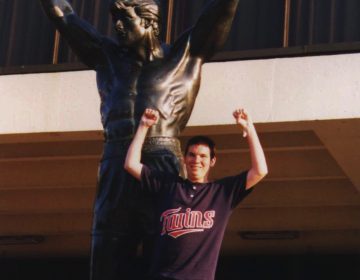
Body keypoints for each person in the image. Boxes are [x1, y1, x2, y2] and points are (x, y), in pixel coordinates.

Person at [39, 0, 241, 278]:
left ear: (147, 22)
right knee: (107, 256)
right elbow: (64, 16)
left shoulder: (185, 55)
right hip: (116, 162)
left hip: (163, 162)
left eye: (125, 19)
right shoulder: (106, 57)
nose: (117, 27)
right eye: (115, 21)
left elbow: (219, 11)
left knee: (165, 253)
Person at [124, 108, 268, 280]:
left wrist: (249, 128)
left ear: (212, 161)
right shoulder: (168, 185)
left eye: (203, 156)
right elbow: (131, 164)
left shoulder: (221, 193)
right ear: (184, 158)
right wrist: (143, 126)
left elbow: (260, 171)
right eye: (191, 155)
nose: (196, 160)